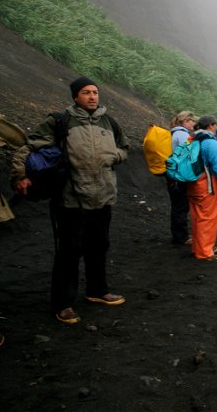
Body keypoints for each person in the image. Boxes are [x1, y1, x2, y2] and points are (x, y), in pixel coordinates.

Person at [11, 76, 129, 325]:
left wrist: (114, 156)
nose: (92, 96)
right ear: (76, 97)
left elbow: (124, 147)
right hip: (70, 198)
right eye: (86, 92)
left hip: (103, 196)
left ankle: (97, 291)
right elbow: (30, 147)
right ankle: (62, 303)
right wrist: (20, 175)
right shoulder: (60, 121)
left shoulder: (109, 121)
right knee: (69, 252)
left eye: (95, 92)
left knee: (99, 246)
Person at [185, 115, 217, 261]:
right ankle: (205, 252)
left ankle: (198, 247)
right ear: (211, 125)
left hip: (192, 183)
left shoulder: (192, 139)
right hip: (207, 185)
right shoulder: (210, 142)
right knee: (208, 218)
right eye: (215, 124)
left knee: (197, 216)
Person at [166, 110, 197, 244]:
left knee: (177, 205)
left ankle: (179, 235)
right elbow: (189, 156)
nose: (194, 123)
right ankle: (181, 237)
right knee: (181, 206)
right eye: (192, 121)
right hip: (179, 175)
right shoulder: (183, 135)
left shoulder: (174, 132)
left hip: (172, 173)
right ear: (185, 121)